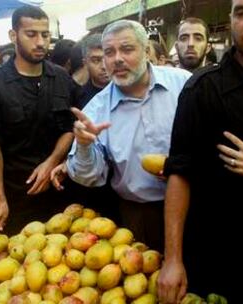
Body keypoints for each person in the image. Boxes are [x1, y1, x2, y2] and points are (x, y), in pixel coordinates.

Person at [63, 20, 191, 252]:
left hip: (194, 202)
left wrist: (185, 167)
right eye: (109, 53)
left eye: (127, 49)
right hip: (139, 214)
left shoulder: (183, 83)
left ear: (146, 51)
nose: (117, 59)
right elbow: (89, 177)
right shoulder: (95, 110)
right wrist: (83, 145)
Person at [158, 1, 243, 302]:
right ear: (231, 18)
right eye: (242, 12)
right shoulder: (201, 89)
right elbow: (180, 173)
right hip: (218, 250)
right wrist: (172, 259)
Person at [0, 5, 75, 234]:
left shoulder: (60, 77)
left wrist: (51, 161)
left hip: (55, 192)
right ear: (14, 36)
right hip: (13, 195)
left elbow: (69, 129)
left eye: (45, 34)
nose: (40, 42)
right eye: (31, 34)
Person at [76, 33, 110, 109]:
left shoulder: (128, 90)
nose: (104, 66)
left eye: (108, 58)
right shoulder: (78, 98)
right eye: (96, 60)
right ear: (85, 63)